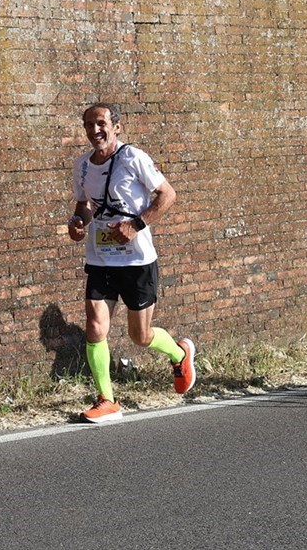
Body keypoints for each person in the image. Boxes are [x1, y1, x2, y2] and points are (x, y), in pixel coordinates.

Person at [68, 103, 196, 423]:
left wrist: (135, 225)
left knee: (140, 336)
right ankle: (106, 400)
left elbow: (167, 195)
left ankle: (180, 355)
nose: (94, 131)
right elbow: (84, 204)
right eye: (88, 125)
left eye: (100, 124)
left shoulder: (132, 158)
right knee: (95, 326)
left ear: (117, 127)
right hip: (100, 259)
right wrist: (77, 221)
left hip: (137, 260)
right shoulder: (82, 165)